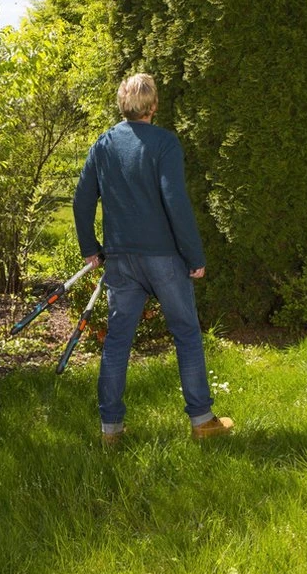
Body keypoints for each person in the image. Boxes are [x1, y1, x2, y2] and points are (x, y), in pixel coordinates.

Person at [73, 72, 233, 444]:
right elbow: (175, 202)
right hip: (164, 258)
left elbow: (81, 200)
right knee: (187, 334)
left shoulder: (104, 144)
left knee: (117, 341)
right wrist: (194, 255)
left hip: (120, 260)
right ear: (154, 105)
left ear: (122, 105)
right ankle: (202, 422)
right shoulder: (164, 143)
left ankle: (111, 430)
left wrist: (90, 249)